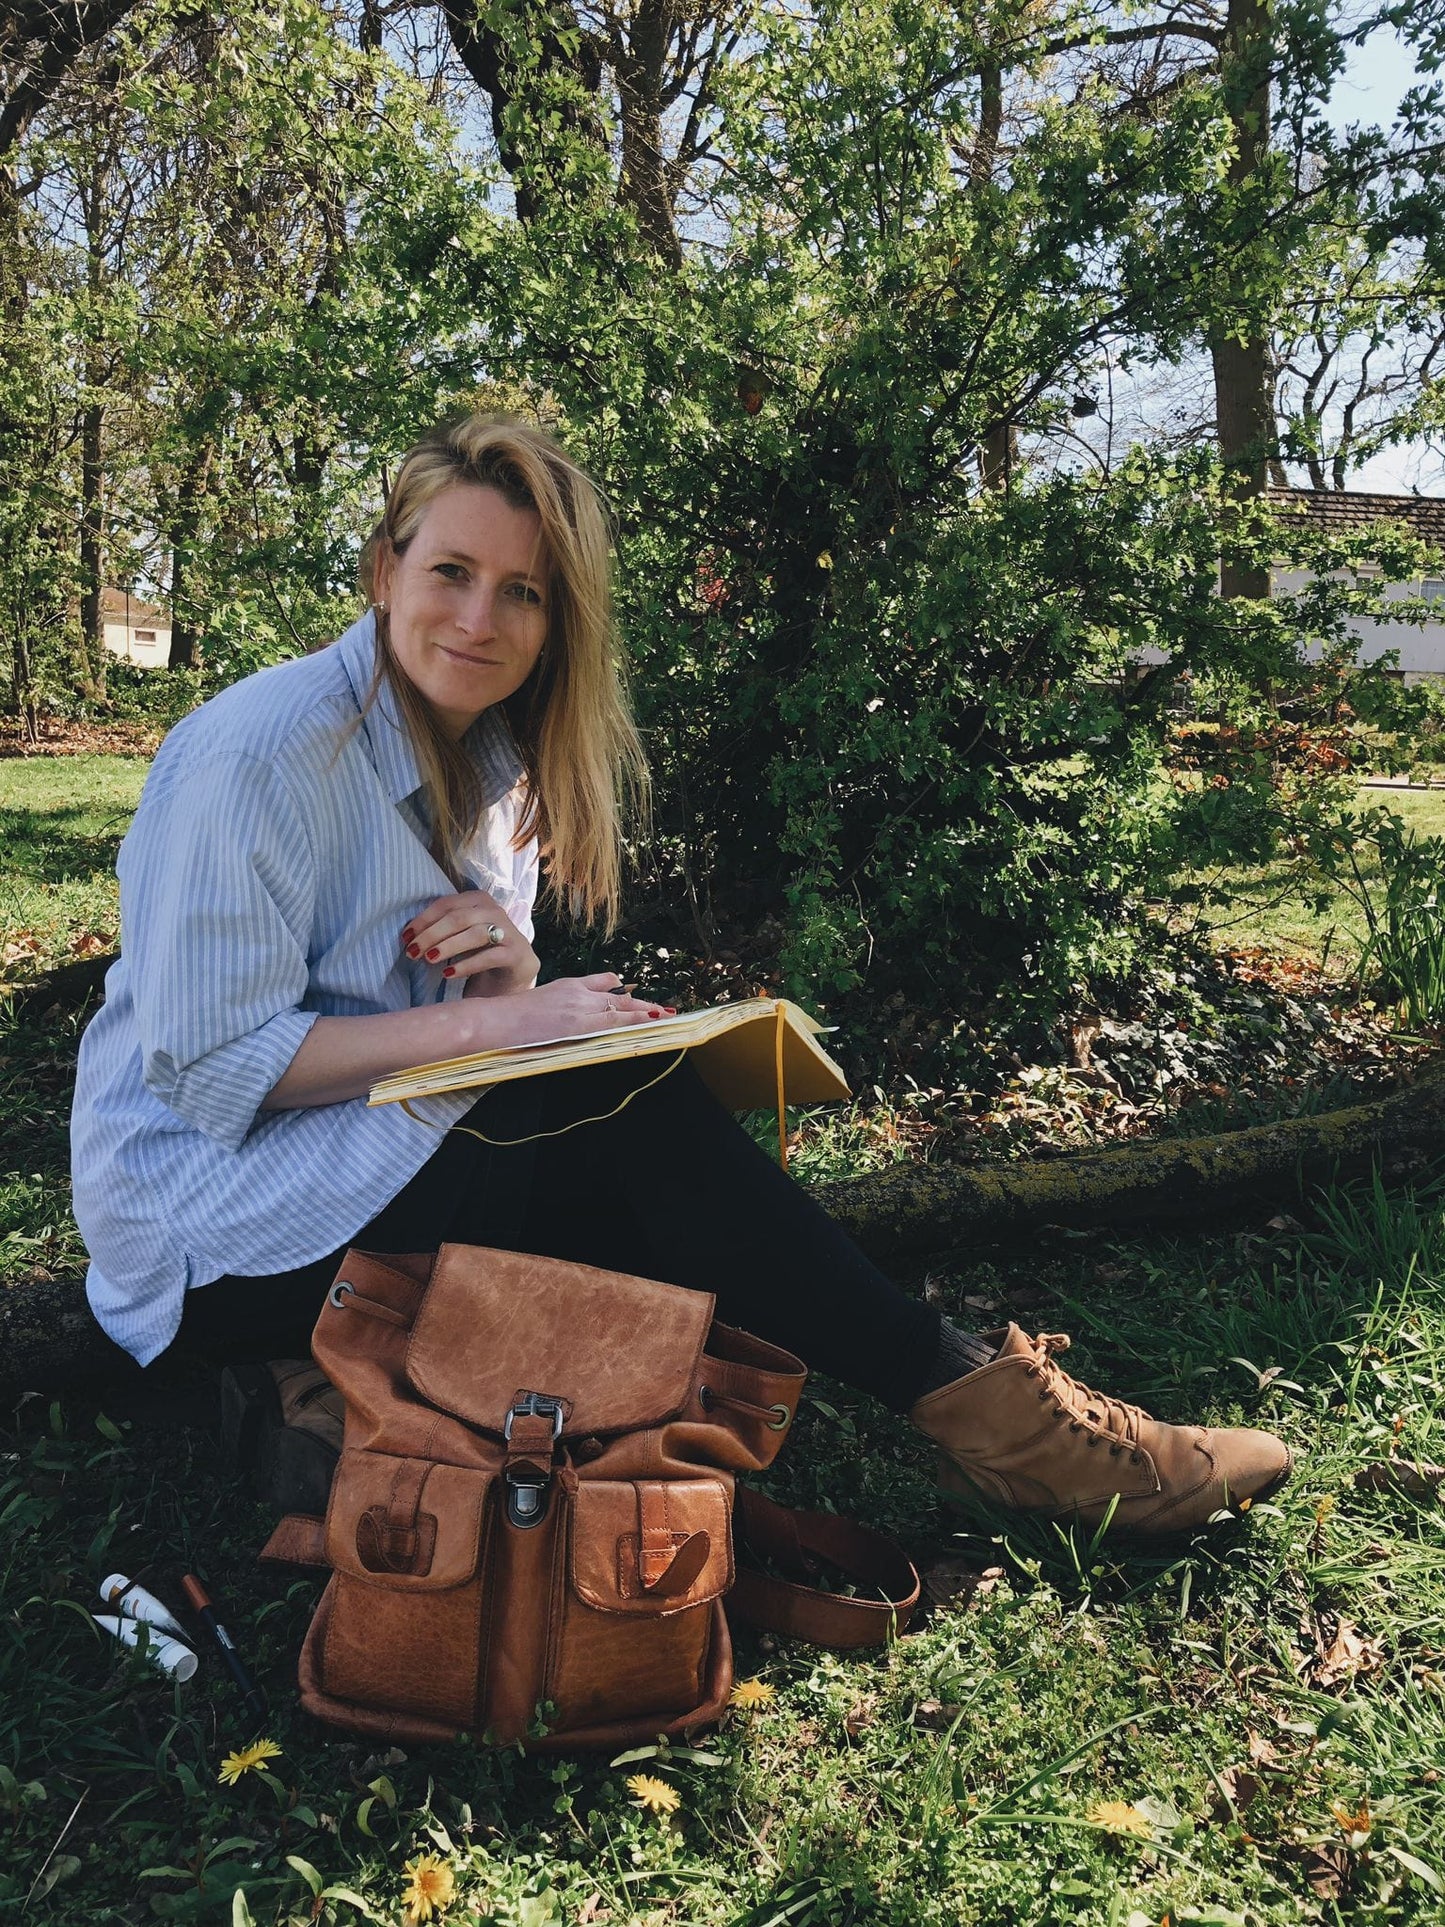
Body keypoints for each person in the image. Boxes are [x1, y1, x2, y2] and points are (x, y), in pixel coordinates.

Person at [70, 413, 1291, 1536]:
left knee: (639, 1147)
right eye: (449, 572)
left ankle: (403, 1390)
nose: (478, 619)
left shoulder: (495, 764)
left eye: (522, 593)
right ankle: (1006, 1430)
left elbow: (445, 1060)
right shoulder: (261, 752)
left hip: (359, 1171)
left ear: (559, 623)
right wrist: (512, 1035)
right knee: (624, 1113)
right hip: (213, 1236)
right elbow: (214, 1066)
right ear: (387, 569)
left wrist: (505, 993)